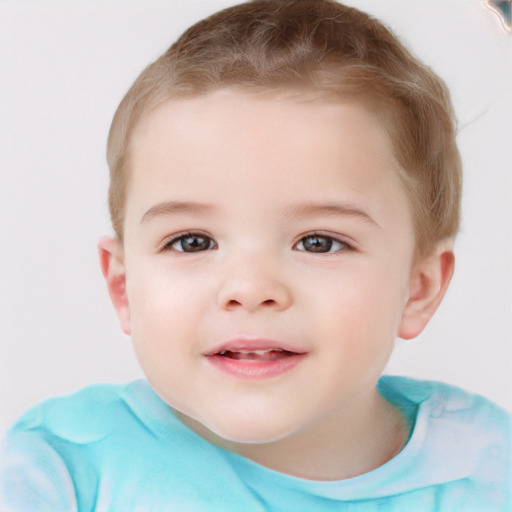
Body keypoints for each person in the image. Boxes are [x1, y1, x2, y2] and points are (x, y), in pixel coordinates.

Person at [1, 0, 510, 510]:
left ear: (417, 288)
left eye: (319, 242)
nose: (250, 288)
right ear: (123, 286)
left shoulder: (487, 467)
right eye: (192, 242)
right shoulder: (62, 472)